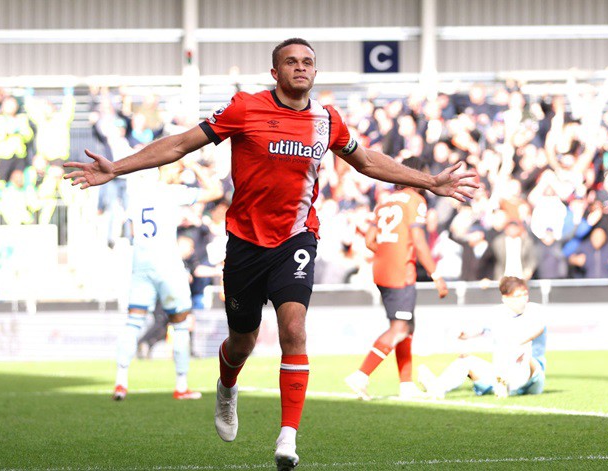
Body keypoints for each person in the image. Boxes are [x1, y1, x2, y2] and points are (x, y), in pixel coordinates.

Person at [64, 38, 476, 471]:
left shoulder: (328, 120)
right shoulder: (244, 108)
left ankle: (288, 436)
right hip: (244, 242)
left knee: (294, 328)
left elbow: (368, 162)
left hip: (296, 240)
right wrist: (118, 167)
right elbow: (182, 144)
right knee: (241, 340)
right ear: (274, 72)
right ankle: (227, 386)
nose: (301, 68)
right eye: (291, 62)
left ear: (315, 72)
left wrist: (429, 182)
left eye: (308, 62)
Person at [112, 159, 223, 401]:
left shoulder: (138, 194)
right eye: (179, 170)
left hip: (140, 264)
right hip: (167, 264)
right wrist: (195, 166)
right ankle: (181, 386)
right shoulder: (173, 192)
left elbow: (130, 229)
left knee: (133, 323)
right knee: (181, 323)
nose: (182, 174)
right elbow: (216, 191)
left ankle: (121, 383)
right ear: (168, 169)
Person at [345, 157, 449, 401]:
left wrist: (388, 252)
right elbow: (420, 242)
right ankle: (361, 375)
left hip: (381, 270)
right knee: (400, 327)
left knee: (406, 327)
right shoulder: (416, 201)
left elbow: (370, 240)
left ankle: (406, 385)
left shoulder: (385, 202)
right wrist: (435, 274)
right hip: (400, 272)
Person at [417, 276, 547, 399]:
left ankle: (503, 382)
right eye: (518, 296)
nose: (523, 299)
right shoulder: (496, 314)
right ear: (505, 298)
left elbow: (538, 328)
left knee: (521, 350)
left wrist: (515, 344)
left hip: (532, 376)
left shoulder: (534, 310)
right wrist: (463, 334)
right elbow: (479, 329)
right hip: (502, 371)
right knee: (465, 360)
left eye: (525, 294)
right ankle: (437, 388)